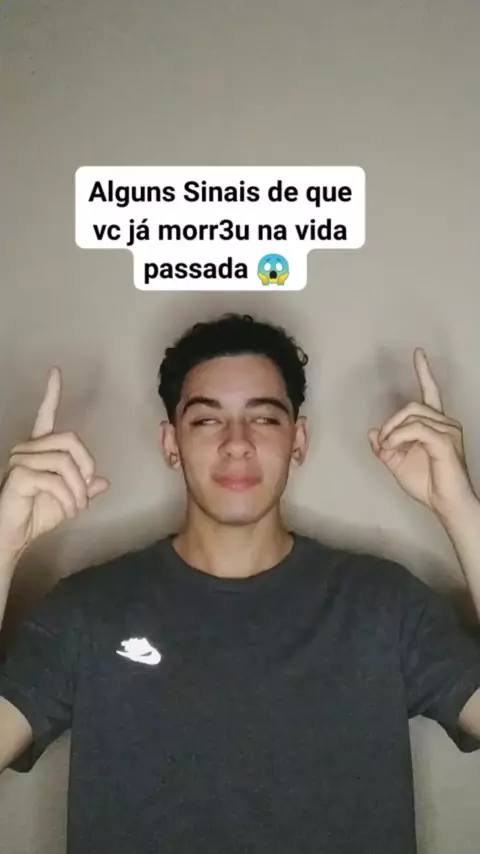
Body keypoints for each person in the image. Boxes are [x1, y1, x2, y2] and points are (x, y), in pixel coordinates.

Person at [1, 312, 480, 854]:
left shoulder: (385, 605)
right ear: (171, 443)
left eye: (265, 418)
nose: (237, 442)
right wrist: (4, 538)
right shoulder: (85, 611)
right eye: (207, 420)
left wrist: (459, 507)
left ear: (298, 440)